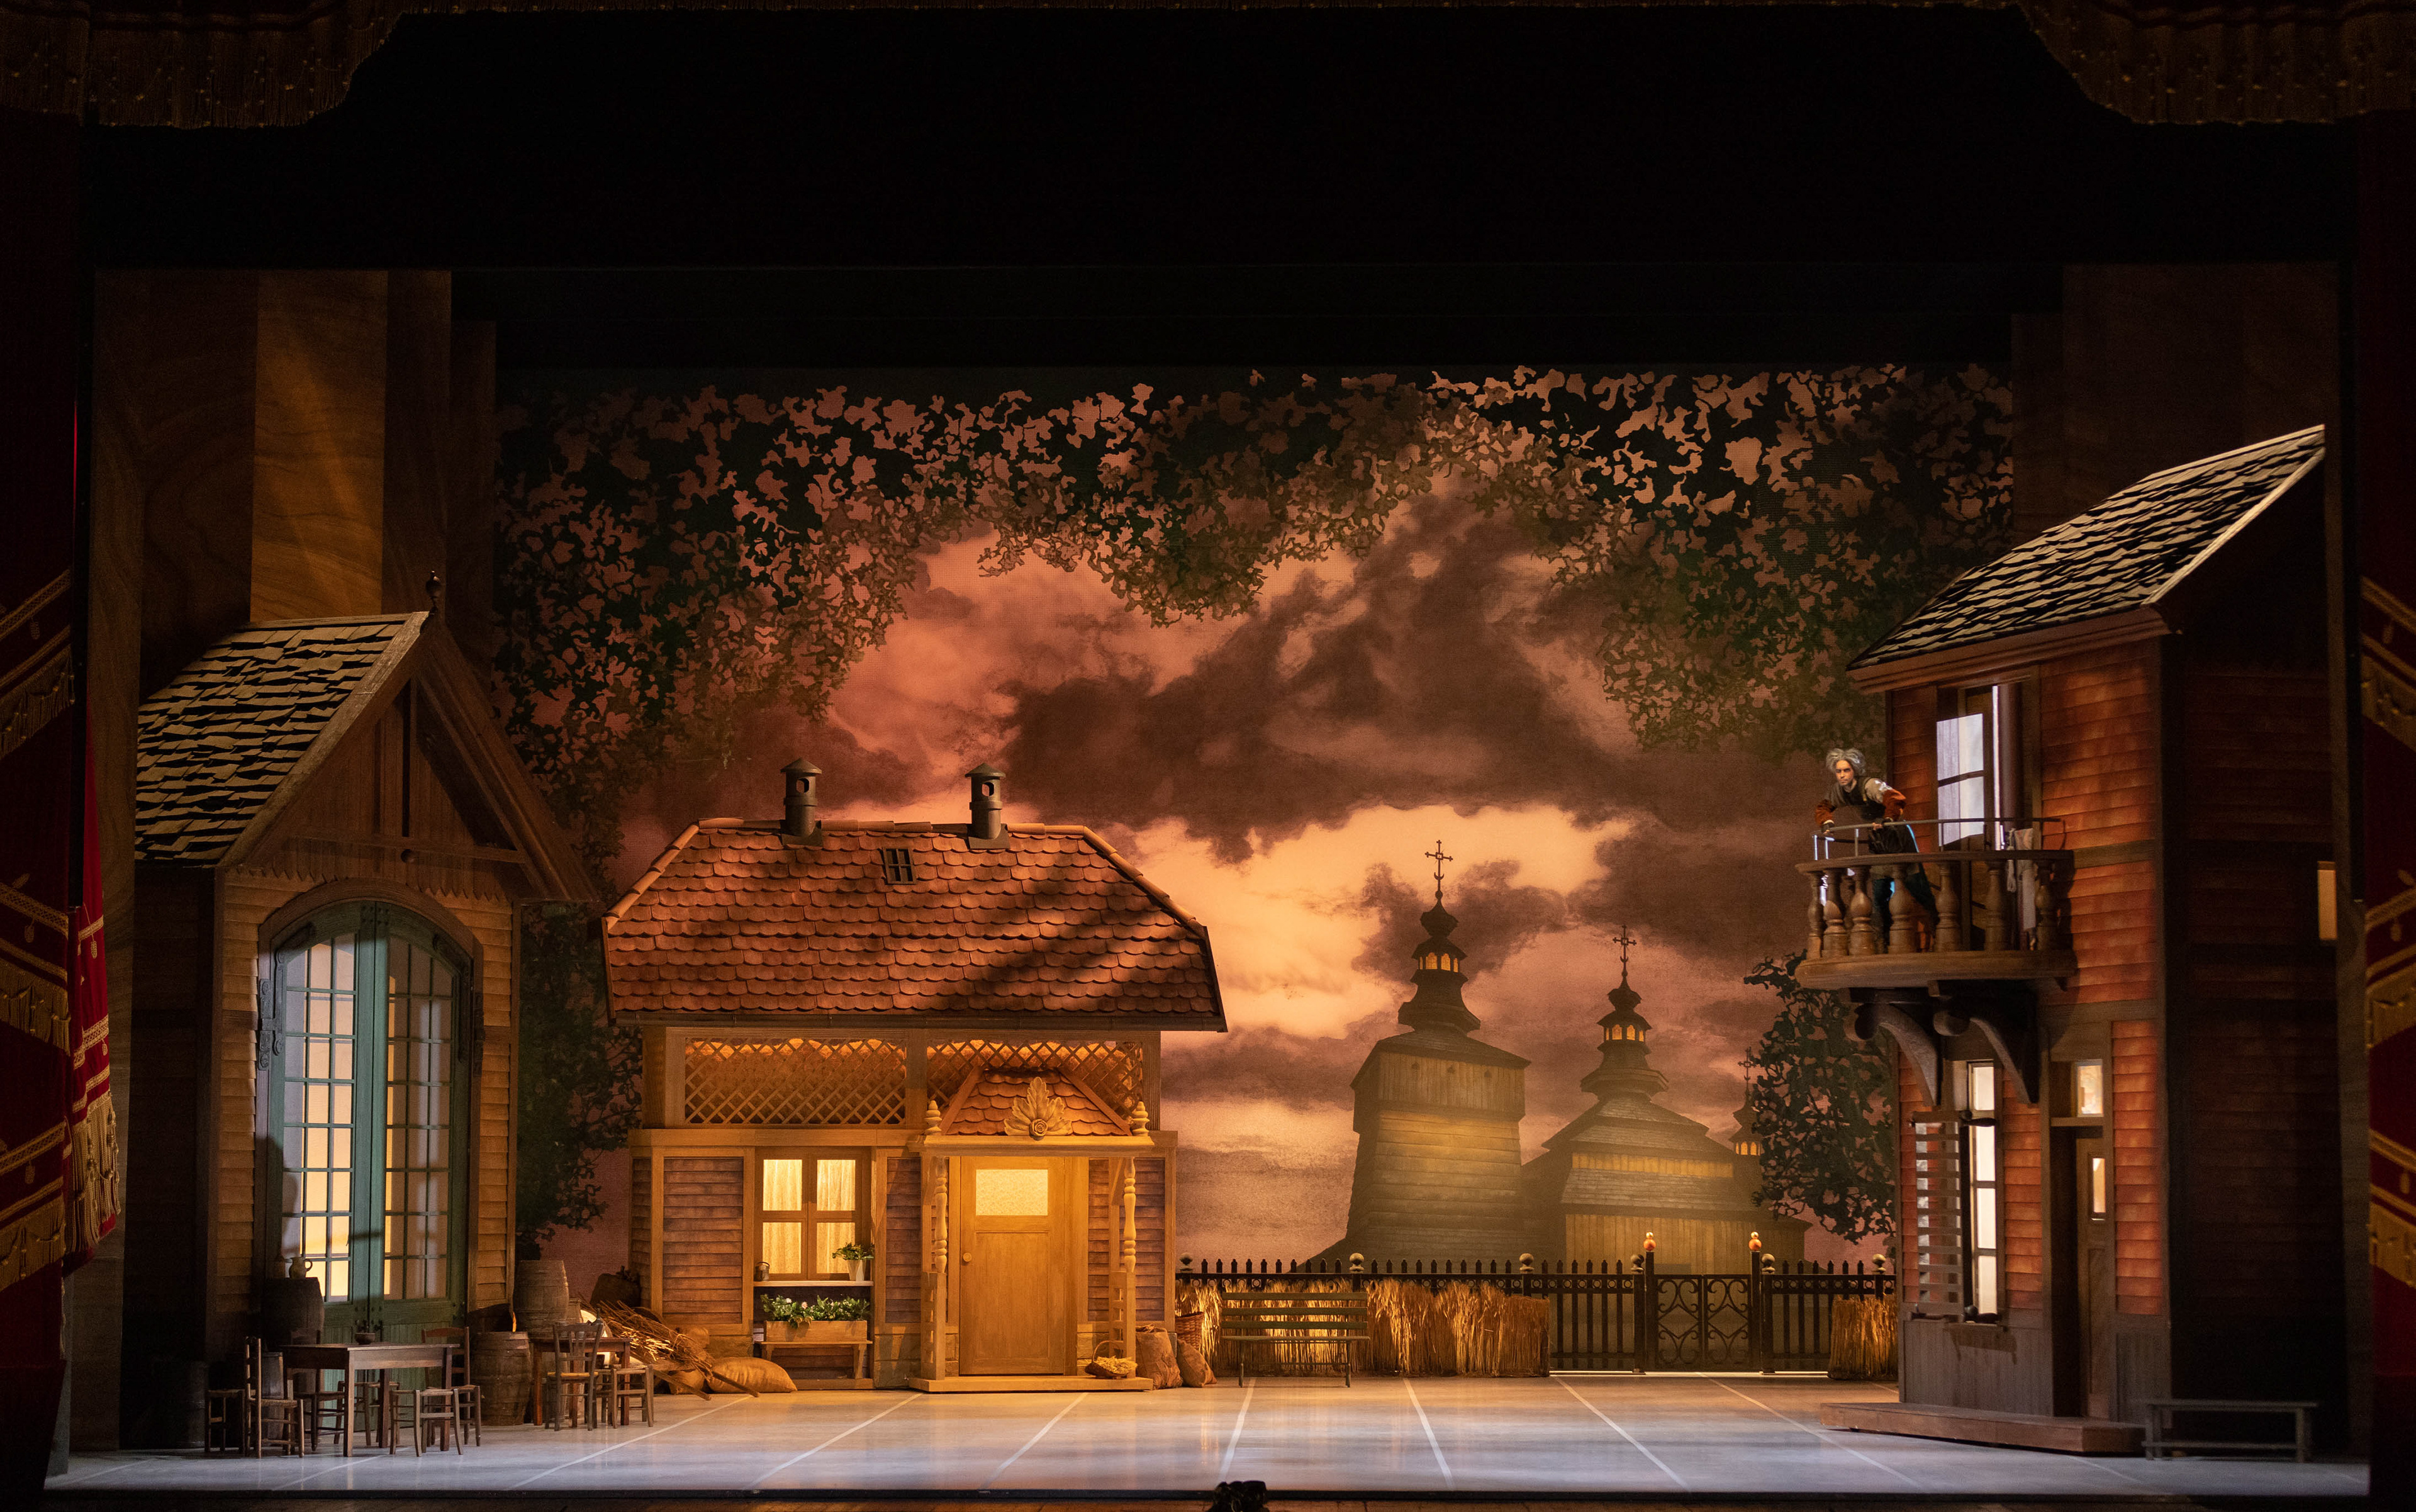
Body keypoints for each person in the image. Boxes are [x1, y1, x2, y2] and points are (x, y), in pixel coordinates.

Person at [1814, 748, 1935, 941]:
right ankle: (1885, 940)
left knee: (1917, 887)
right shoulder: (1839, 791)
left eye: (1847, 770)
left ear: (1855, 770)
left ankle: (1938, 926)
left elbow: (1894, 798)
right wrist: (1827, 822)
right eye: (1839, 771)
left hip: (1897, 837)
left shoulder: (1869, 785)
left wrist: (1887, 818)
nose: (1843, 775)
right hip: (1878, 842)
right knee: (1879, 894)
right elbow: (1824, 807)